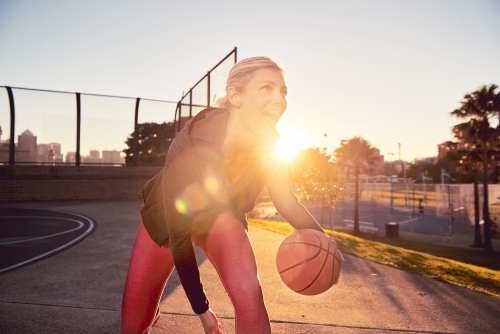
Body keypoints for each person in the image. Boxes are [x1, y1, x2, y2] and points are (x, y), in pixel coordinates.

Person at [120, 56, 344, 334]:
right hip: (167, 223)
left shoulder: (271, 145)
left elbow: (286, 201)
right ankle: (147, 315)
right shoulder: (190, 145)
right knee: (132, 326)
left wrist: (325, 242)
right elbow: (179, 240)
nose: (279, 99)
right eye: (266, 88)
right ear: (235, 96)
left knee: (249, 294)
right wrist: (202, 310)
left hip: (221, 219)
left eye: (283, 91)